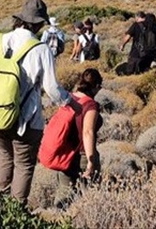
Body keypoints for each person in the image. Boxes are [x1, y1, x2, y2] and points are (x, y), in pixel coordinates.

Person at [0, 0, 70, 204]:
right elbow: (52, 89)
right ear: (40, 24)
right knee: (24, 164)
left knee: (4, 157)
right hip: (26, 120)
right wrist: (69, 102)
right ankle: (16, 213)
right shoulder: (41, 49)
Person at [53, 68, 103, 209]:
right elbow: (87, 132)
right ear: (96, 86)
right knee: (89, 197)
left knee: (64, 195)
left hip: (65, 154)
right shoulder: (90, 105)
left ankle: (58, 221)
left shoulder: (68, 98)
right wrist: (91, 161)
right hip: (82, 155)